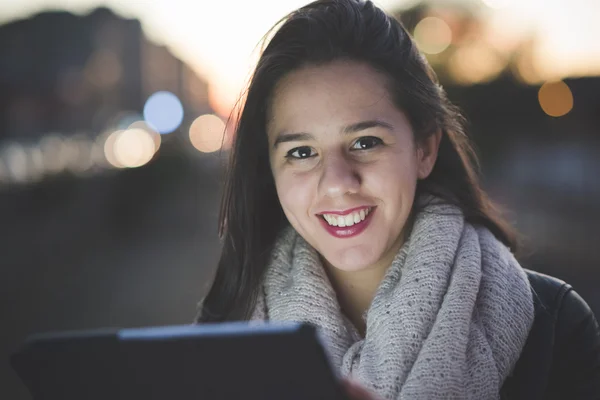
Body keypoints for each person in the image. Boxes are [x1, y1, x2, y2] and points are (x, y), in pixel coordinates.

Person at [196, 0, 600, 398]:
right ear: (269, 168)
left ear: (424, 149)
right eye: (301, 152)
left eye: (365, 142)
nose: (337, 182)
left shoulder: (556, 327)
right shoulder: (221, 332)